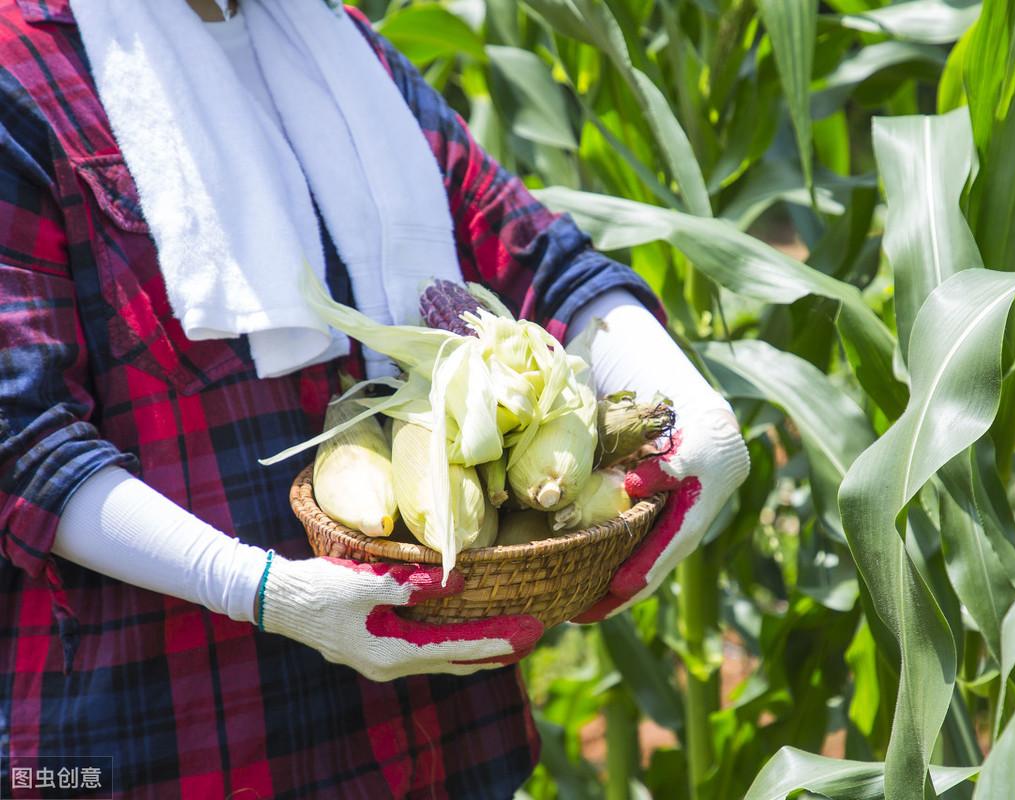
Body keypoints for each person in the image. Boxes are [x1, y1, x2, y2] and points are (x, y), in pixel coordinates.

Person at [0, 0, 749, 796]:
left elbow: (530, 253)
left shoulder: (340, 38)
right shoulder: (21, 70)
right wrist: (258, 590)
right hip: (178, 742)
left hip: (442, 738)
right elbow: (24, 441)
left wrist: (684, 399)